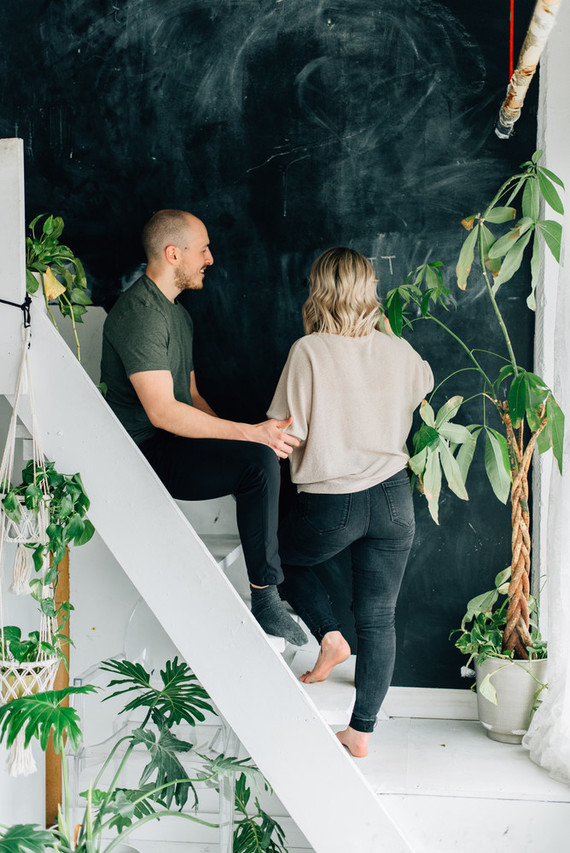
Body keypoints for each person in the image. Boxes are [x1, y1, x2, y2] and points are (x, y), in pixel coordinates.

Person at [100, 209, 306, 646]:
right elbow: (162, 412)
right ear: (174, 254)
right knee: (256, 457)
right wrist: (250, 434)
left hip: (172, 443)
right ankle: (266, 598)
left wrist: (243, 438)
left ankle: (270, 591)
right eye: (203, 249)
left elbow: (190, 397)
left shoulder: (178, 315)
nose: (210, 258)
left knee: (261, 459)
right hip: (143, 453)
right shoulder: (139, 313)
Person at [267, 247, 434, 757]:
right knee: (379, 617)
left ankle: (328, 636)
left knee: (279, 560)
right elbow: (423, 386)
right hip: (393, 499)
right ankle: (360, 733)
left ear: (319, 290)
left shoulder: (309, 350)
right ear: (370, 291)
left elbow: (284, 429)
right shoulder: (399, 350)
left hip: (332, 504)